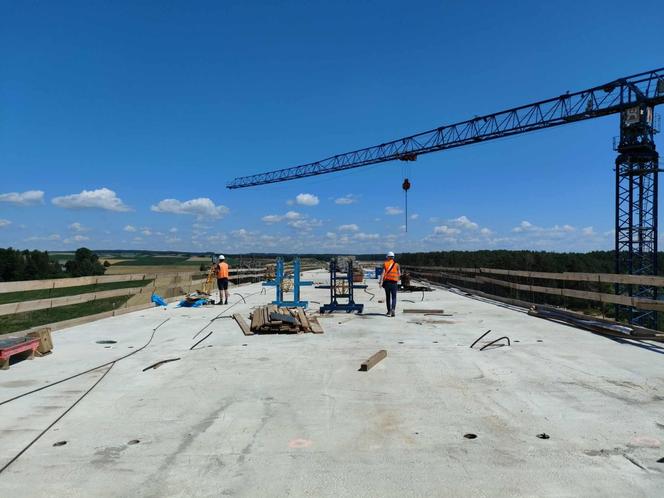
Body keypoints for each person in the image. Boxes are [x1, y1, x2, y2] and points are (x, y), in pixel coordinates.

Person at [379, 251, 400, 317]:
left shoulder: (385, 264)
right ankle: (393, 309)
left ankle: (389, 311)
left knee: (388, 297)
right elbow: (399, 274)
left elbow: (383, 273)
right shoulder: (397, 265)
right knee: (394, 297)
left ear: (387, 257)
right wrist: (397, 280)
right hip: (394, 283)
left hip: (387, 283)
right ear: (393, 257)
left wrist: (381, 282)